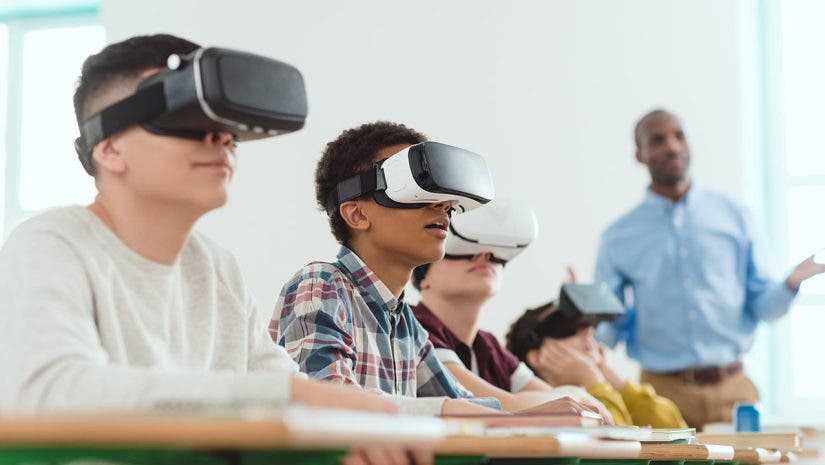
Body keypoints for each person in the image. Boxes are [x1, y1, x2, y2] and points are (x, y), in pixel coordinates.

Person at [0, 34, 431, 465]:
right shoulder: (50, 244)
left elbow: (289, 392)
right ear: (110, 149)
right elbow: (52, 391)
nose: (220, 138)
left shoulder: (217, 269)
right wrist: (292, 396)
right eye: (186, 116)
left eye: (226, 124)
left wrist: (445, 413)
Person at [272, 121, 596, 418]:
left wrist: (540, 413)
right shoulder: (323, 285)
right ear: (356, 214)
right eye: (413, 190)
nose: (443, 206)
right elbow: (330, 402)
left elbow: (460, 403)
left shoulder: (405, 324)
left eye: (443, 197)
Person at [593, 108, 825, 428]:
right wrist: (581, 321)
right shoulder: (618, 237)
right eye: (657, 140)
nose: (672, 146)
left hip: (734, 391)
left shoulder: (735, 216)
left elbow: (763, 306)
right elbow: (612, 322)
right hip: (661, 392)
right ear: (639, 155)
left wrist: (790, 283)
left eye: (679, 135)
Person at [410, 200, 612, 420]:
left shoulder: (488, 345)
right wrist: (574, 392)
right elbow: (503, 406)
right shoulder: (416, 327)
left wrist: (572, 396)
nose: (484, 256)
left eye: (496, 255)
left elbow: (562, 404)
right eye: (462, 251)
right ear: (424, 279)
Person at [505, 302, 687, 428]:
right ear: (537, 357)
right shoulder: (546, 407)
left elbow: (675, 429)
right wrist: (593, 380)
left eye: (591, 335)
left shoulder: (603, 389)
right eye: (574, 332)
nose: (591, 345)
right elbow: (618, 447)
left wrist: (614, 381)